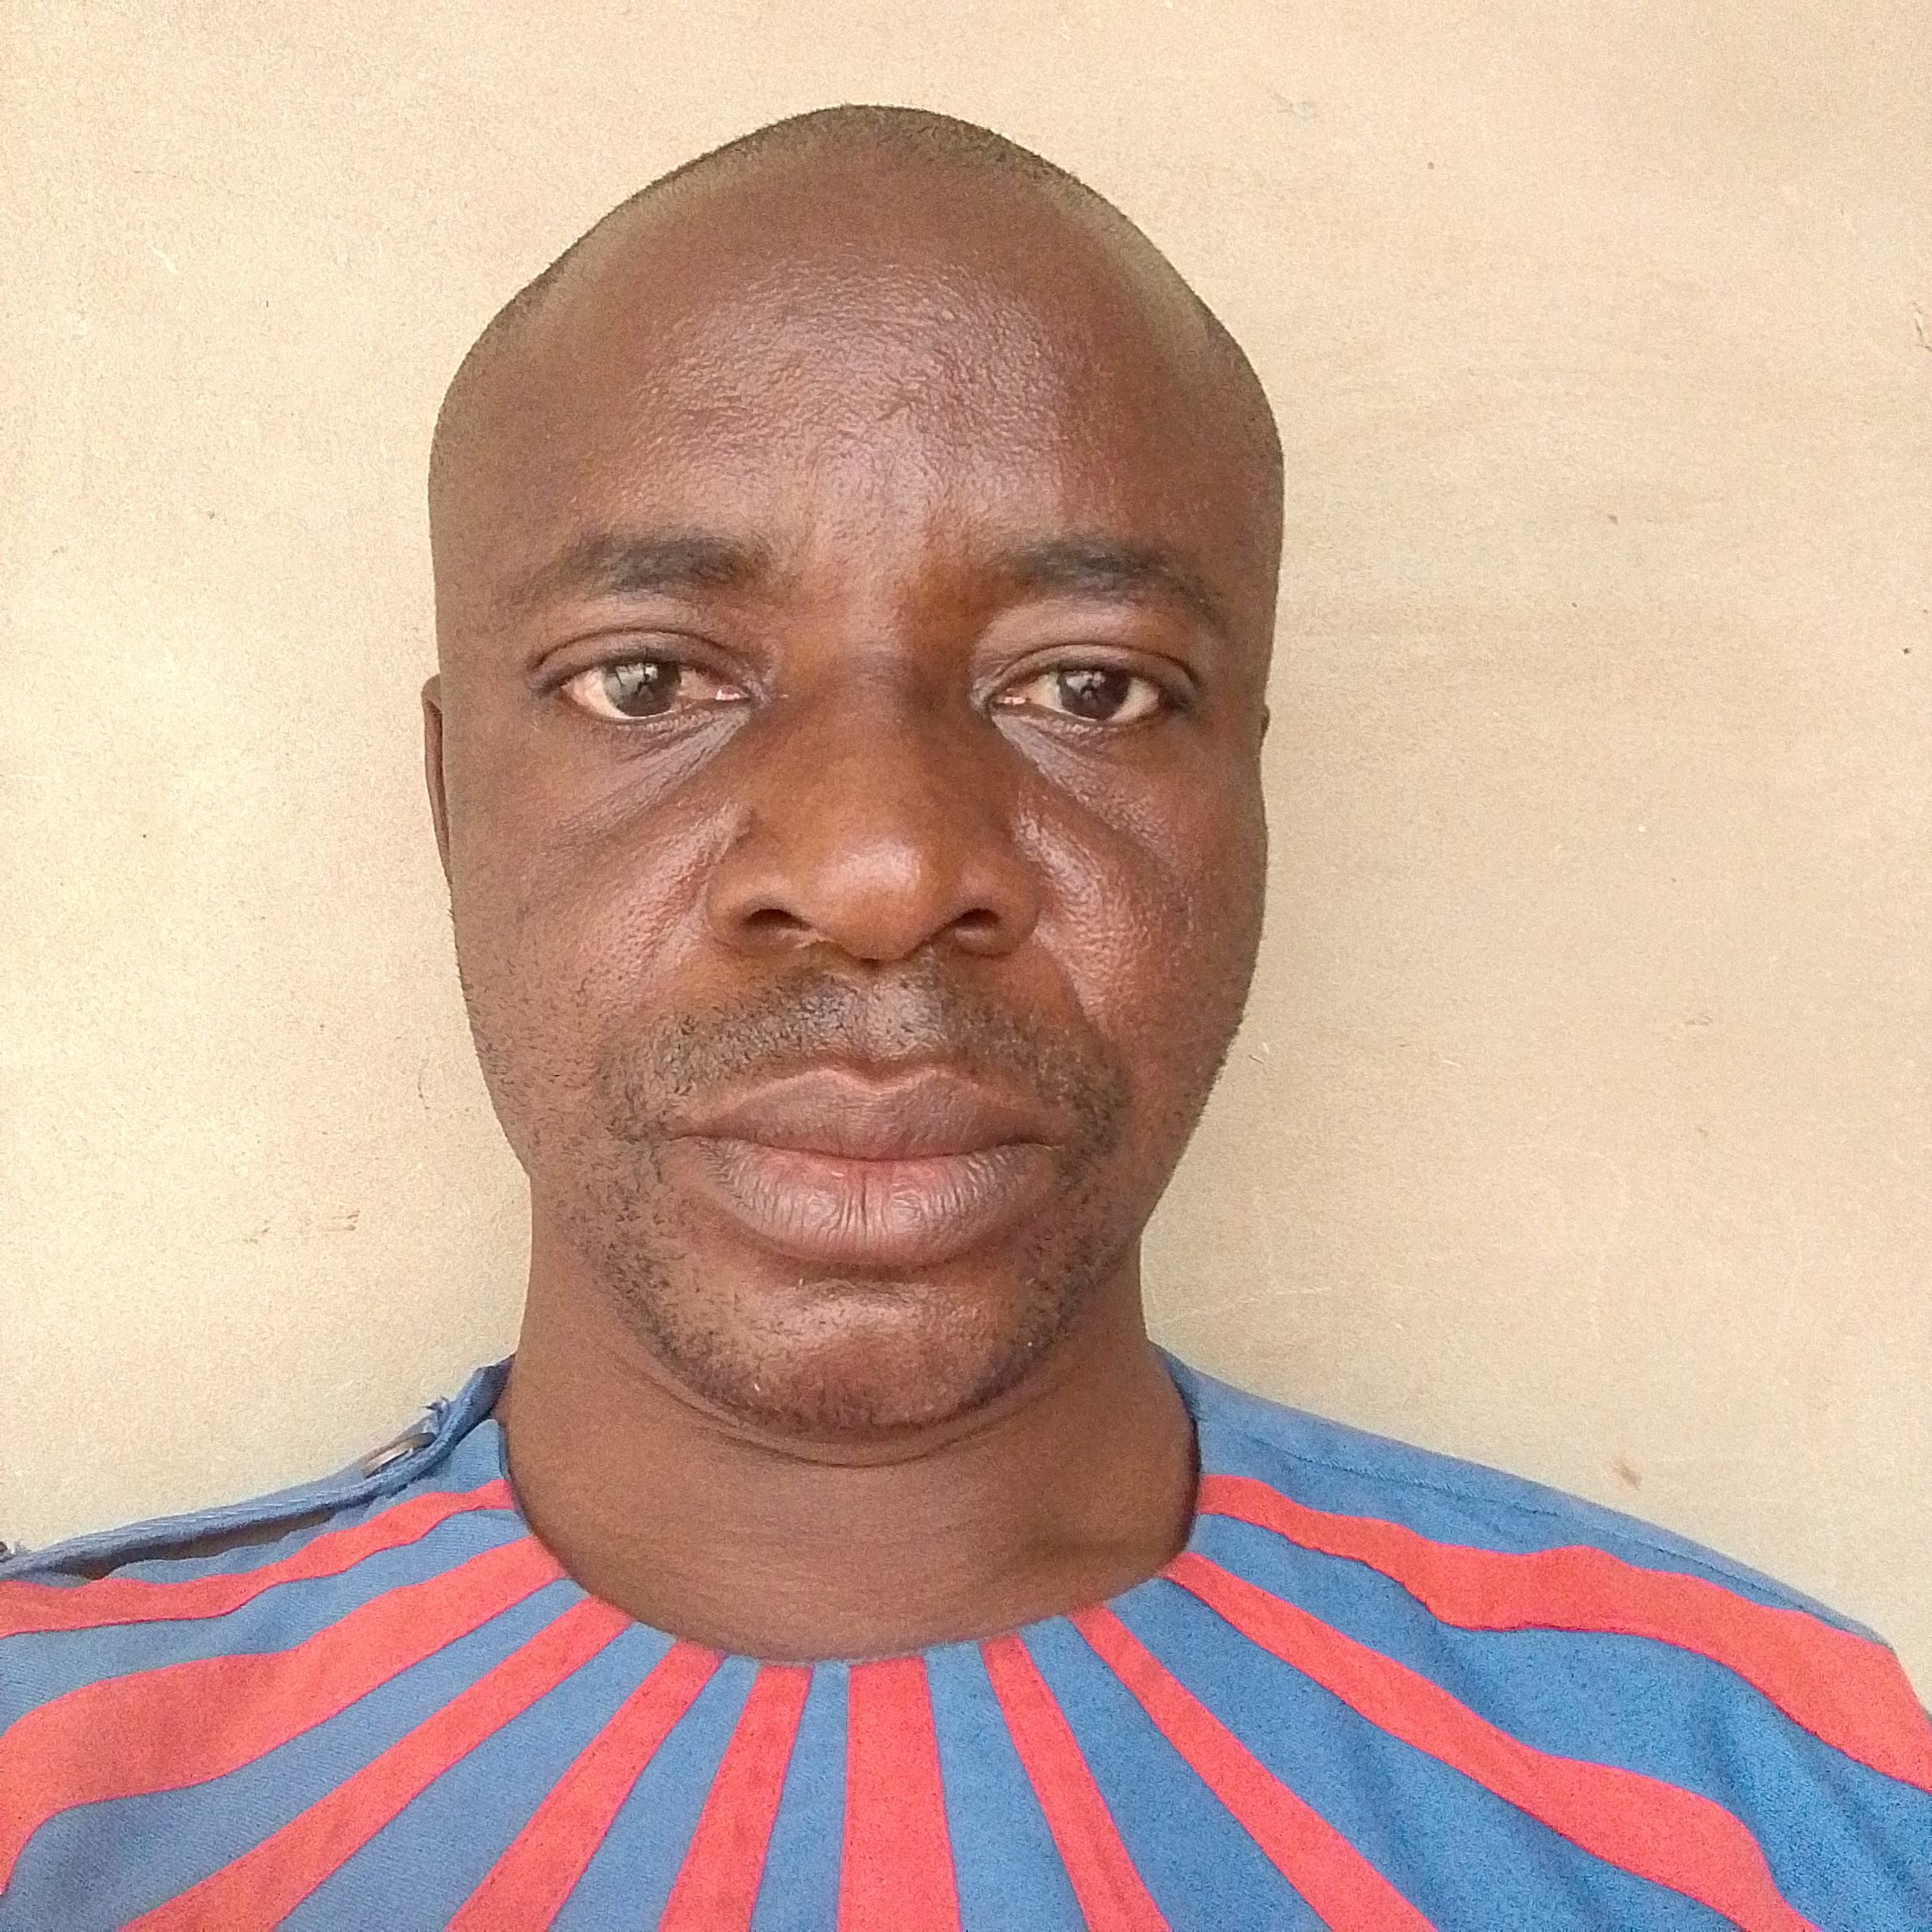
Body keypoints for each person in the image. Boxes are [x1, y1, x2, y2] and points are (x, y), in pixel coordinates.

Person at [1, 104, 1926, 1931]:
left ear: (1248, 796)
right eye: (647, 679)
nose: (883, 868)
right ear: (450, 804)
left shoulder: (1773, 1815)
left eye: (1089, 689)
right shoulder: (48, 1789)